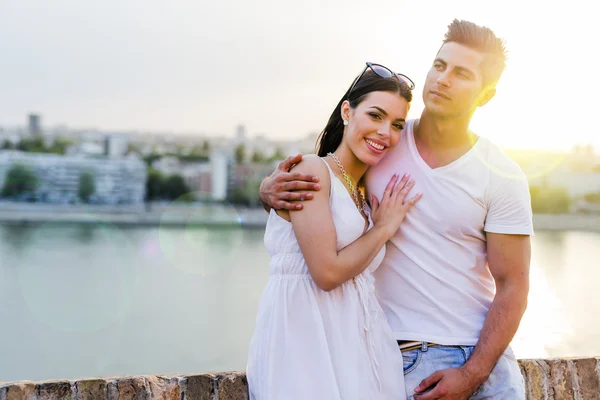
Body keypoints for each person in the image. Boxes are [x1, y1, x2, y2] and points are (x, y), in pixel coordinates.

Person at [259, 19, 532, 400]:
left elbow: (513, 285)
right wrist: (269, 190)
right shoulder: (382, 147)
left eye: (461, 73)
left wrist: (472, 373)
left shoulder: (503, 175)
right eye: (439, 65)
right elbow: (328, 182)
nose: (443, 79)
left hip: (487, 366)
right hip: (404, 361)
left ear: (486, 95)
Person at [246, 64, 420, 400]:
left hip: (355, 343)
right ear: (347, 111)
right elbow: (326, 272)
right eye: (375, 116)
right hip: (305, 343)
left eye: (397, 124)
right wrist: (383, 228)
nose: (386, 132)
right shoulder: (314, 170)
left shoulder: (364, 192)